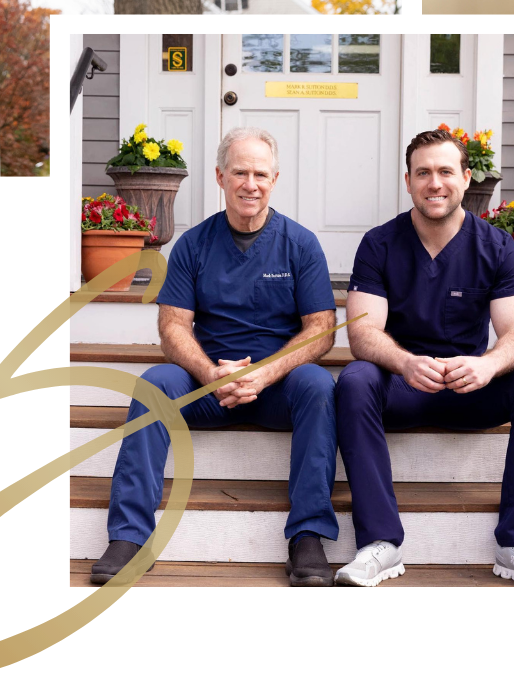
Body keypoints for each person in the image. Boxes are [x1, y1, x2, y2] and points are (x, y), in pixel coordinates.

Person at [90, 127, 339, 587]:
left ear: (275, 178)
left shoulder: (300, 244)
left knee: (320, 386)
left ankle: (308, 535)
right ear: (221, 177)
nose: (251, 183)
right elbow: (173, 327)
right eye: (240, 172)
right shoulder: (193, 245)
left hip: (275, 389)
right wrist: (211, 374)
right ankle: (128, 537)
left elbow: (321, 331)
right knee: (155, 383)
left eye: (260, 174)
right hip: (207, 387)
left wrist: (263, 375)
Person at [334, 129, 514, 587]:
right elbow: (362, 334)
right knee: (356, 379)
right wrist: (404, 362)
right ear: (408, 181)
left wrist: (487, 364)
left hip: (471, 387)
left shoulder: (496, 245)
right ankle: (379, 544)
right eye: (423, 172)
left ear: (465, 178)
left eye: (445, 171)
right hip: (403, 387)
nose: (434, 183)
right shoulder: (380, 244)